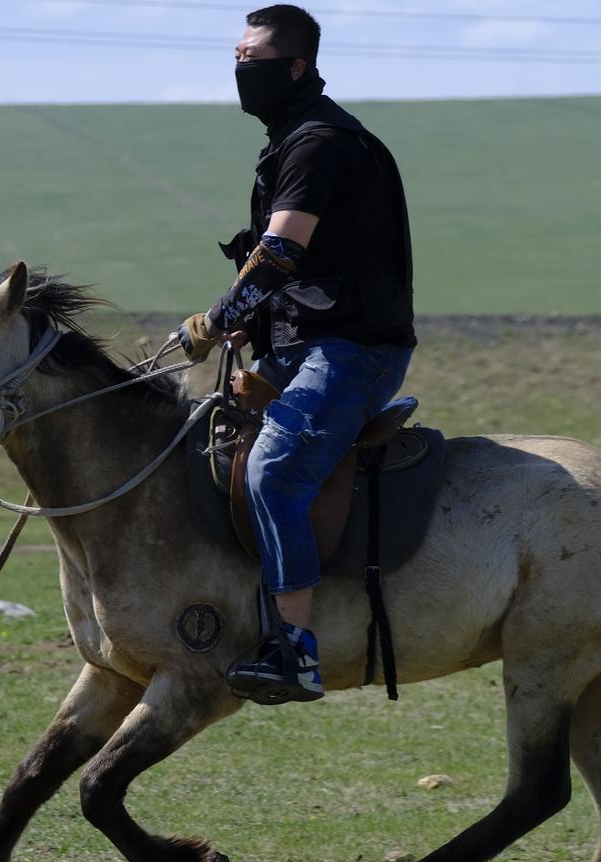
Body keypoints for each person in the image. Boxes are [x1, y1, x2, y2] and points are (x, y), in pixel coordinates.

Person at [177, 4, 415, 704]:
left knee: (277, 471)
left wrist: (220, 317)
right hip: (299, 346)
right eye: (236, 57)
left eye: (251, 58)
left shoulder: (321, 143)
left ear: (297, 66)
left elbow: (281, 251)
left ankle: (297, 652)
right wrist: (238, 328)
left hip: (351, 351)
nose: (240, 70)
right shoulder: (289, 140)